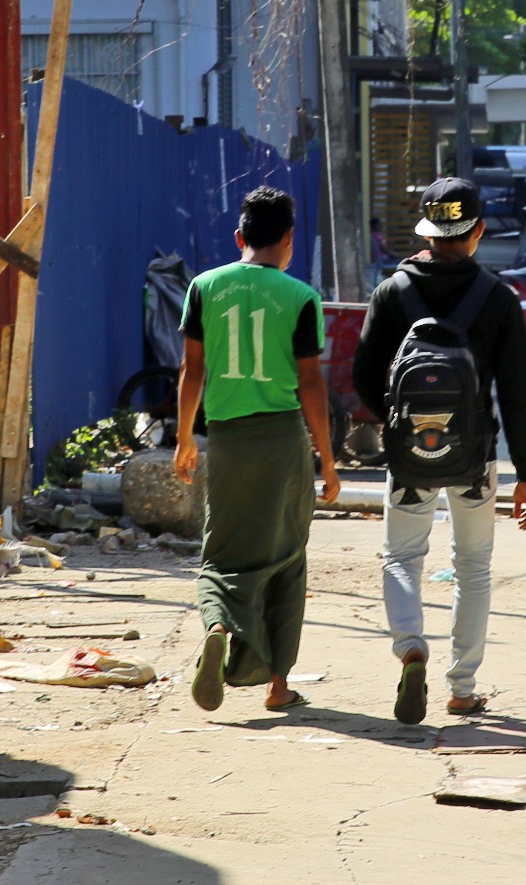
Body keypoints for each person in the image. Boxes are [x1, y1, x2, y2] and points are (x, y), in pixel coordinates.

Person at [352, 177, 526, 724]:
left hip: (411, 455)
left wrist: (396, 428)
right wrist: (525, 473)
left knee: (402, 555)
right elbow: (518, 391)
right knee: (473, 566)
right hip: (475, 455)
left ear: (427, 232)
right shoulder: (499, 298)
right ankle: (462, 687)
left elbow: (363, 376)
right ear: (478, 231)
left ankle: (411, 647)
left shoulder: (392, 291)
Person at [174, 186, 339, 714]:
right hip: (283, 441)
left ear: (239, 237)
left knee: (221, 557)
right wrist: (328, 459)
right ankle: (277, 685)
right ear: (288, 241)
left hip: (227, 440)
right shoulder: (302, 298)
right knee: (287, 557)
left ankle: (219, 624)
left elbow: (191, 370)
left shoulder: (203, 287)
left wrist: (183, 439)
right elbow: (312, 385)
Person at [369, 216, 396, 287]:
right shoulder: (377, 236)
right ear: (375, 226)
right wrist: (393, 255)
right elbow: (384, 249)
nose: (381, 226)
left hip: (382, 259)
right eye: (379, 224)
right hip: (385, 260)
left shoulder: (374, 235)